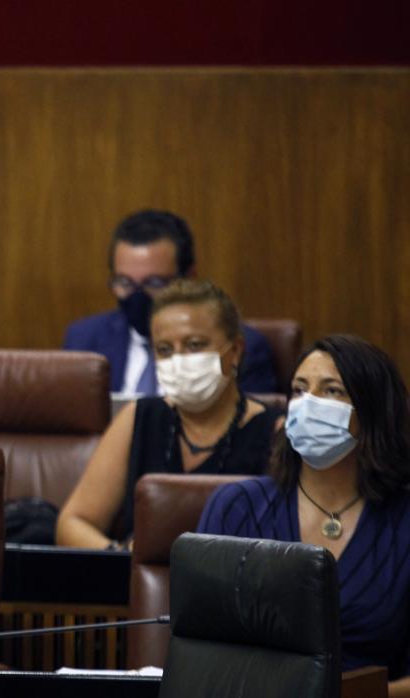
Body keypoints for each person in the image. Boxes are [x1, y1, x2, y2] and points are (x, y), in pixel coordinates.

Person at [199, 335, 410, 693]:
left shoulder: (403, 520)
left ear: (374, 410)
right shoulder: (236, 506)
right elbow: (200, 645)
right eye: (299, 390)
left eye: (331, 391)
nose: (308, 404)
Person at [56, 279, 282, 549]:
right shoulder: (138, 418)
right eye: (164, 350)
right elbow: (74, 522)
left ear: (234, 351)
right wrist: (122, 557)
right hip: (138, 584)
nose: (179, 360)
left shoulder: (275, 432)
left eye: (195, 345)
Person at [63, 209, 277, 397]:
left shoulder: (238, 347)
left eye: (154, 283)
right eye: (124, 282)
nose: (138, 296)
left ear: (189, 278)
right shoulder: (83, 340)